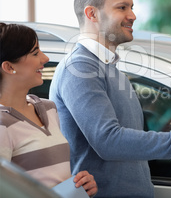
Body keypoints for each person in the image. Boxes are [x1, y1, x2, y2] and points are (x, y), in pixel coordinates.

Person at [49, 0, 171, 198]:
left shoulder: (108, 66)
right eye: (122, 7)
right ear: (91, 14)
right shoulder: (79, 68)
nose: (132, 16)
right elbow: (109, 141)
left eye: (131, 7)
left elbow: (128, 140)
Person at [0, 23, 98, 197]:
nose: (44, 58)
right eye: (35, 53)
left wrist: (79, 185)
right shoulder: (2, 124)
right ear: (9, 67)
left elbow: (52, 178)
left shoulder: (48, 108)